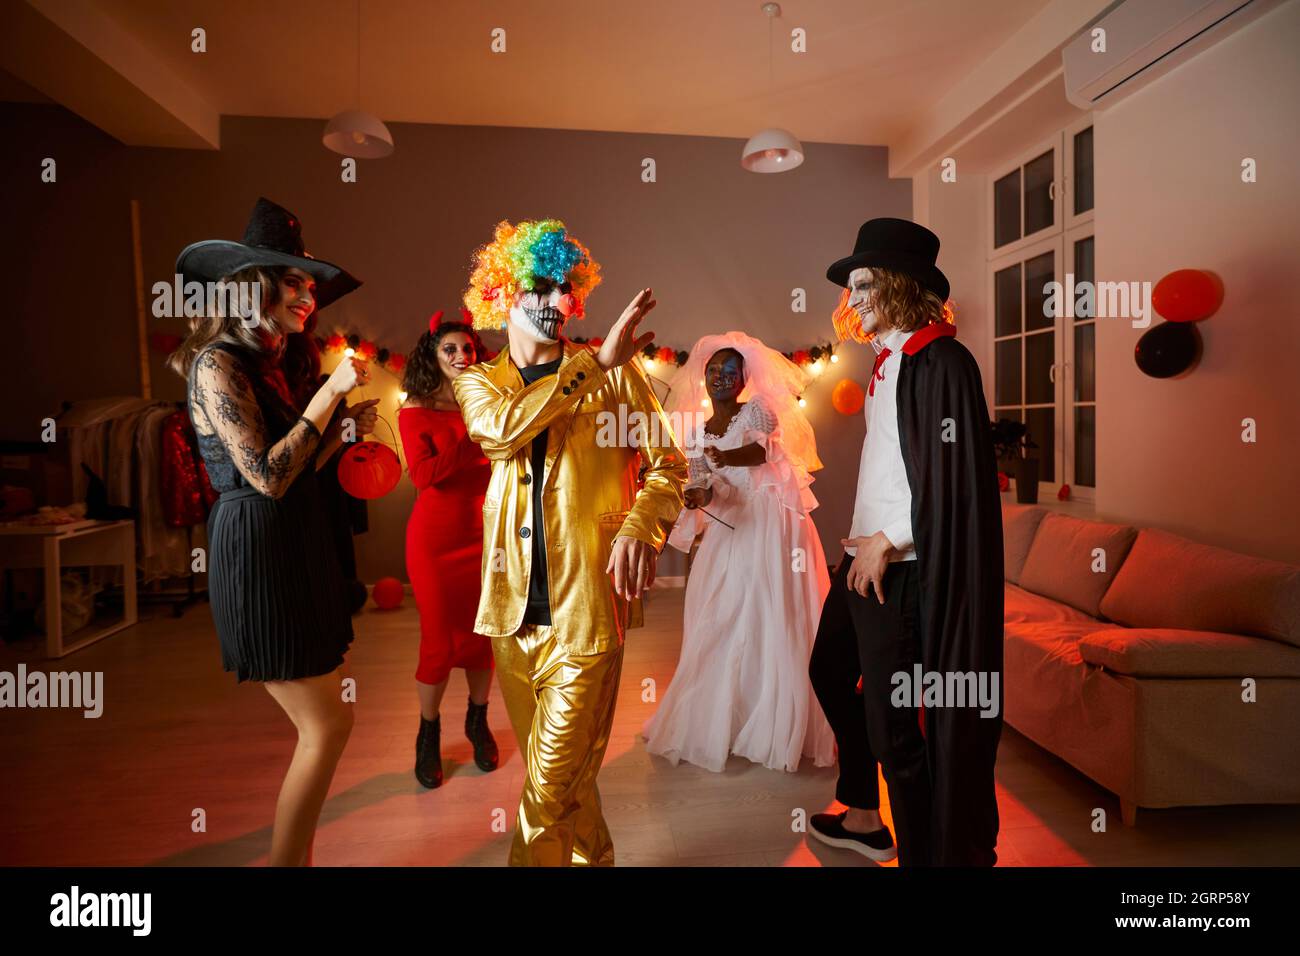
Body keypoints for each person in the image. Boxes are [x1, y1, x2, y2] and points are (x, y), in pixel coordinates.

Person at [453, 219, 688, 866]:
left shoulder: (615, 377)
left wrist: (642, 526)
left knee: (543, 799)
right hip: (510, 617)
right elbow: (500, 434)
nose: (558, 303)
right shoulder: (480, 382)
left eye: (567, 290)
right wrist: (592, 365)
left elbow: (669, 465)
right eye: (541, 287)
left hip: (585, 610)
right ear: (503, 292)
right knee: (567, 782)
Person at [168, 197, 378, 866]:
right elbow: (263, 475)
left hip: (295, 547)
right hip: (258, 554)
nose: (308, 297)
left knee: (326, 724)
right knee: (327, 724)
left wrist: (342, 427)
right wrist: (327, 397)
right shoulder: (216, 366)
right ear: (253, 285)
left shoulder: (268, 365)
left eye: (311, 286)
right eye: (294, 282)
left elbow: (298, 459)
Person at [807, 217, 1004, 866]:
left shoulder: (943, 360)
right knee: (829, 670)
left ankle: (926, 856)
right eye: (851, 287)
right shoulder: (891, 359)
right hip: (861, 558)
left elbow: (958, 482)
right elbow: (904, 465)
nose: (852, 298)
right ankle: (864, 812)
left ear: (898, 284)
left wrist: (888, 540)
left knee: (896, 732)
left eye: (864, 284)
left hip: (902, 569)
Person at [643, 332, 835, 773]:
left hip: (771, 527)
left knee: (770, 615)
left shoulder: (758, 411)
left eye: (730, 371)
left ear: (744, 378)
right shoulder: (694, 434)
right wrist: (695, 497)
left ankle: (773, 725)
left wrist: (723, 458)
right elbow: (703, 487)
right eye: (713, 371)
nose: (720, 377)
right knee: (720, 615)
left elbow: (761, 452)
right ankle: (723, 720)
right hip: (730, 529)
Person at [398, 309, 498, 789]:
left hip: (482, 537)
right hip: (435, 543)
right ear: (433, 357)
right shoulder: (414, 410)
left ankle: (478, 721)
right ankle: (428, 731)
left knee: (484, 637)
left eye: (467, 348)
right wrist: (474, 439)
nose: (461, 356)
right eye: (450, 349)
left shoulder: (487, 401)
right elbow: (423, 477)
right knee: (439, 643)